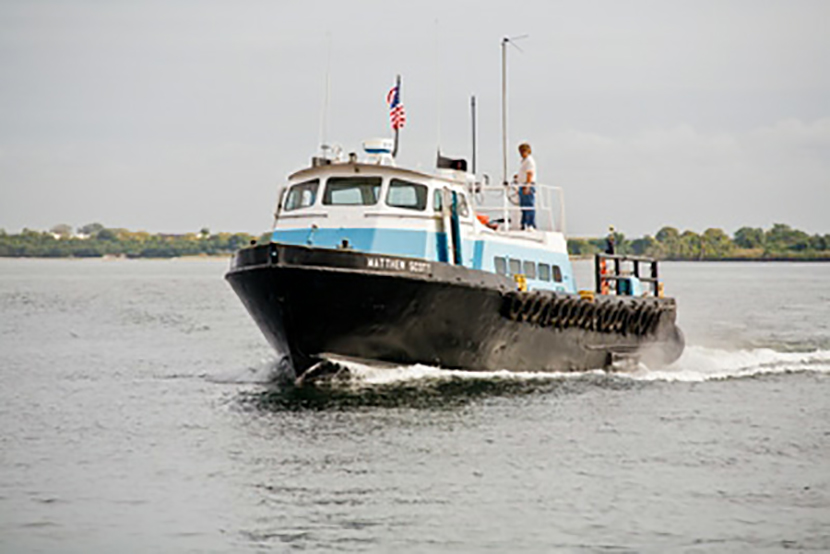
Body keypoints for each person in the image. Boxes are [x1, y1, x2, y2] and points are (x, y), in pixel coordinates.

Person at [515, 143, 536, 229]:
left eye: (523, 151)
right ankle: (523, 224)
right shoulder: (524, 161)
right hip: (522, 185)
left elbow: (530, 174)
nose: (522, 153)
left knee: (528, 205)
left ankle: (530, 224)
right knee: (523, 206)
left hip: (526, 185)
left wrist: (527, 186)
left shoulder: (529, 161)